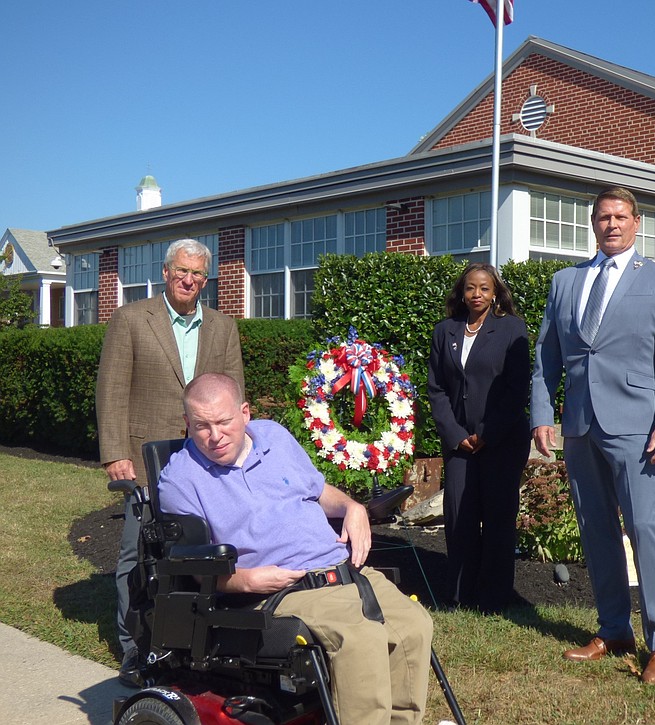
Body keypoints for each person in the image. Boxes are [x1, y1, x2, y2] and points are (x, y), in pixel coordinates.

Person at [158, 373, 434, 725]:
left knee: (414, 625)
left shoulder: (273, 435)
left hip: (340, 565)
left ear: (244, 413)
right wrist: (247, 580)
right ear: (186, 423)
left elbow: (319, 492)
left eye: (224, 422)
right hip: (284, 587)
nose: (214, 436)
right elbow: (196, 568)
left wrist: (352, 507)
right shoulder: (180, 480)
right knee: (362, 638)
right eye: (201, 426)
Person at [530, 187, 655, 684]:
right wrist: (541, 416)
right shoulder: (565, 281)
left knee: (646, 533)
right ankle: (614, 630)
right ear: (593, 224)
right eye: (603, 217)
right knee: (596, 532)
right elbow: (544, 361)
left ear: (636, 223)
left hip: (638, 429)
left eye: (621, 216)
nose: (612, 224)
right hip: (580, 427)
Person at [95, 238, 245, 687]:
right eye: (182, 271)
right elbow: (112, 391)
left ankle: (192, 640)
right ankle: (134, 649)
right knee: (136, 551)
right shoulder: (130, 320)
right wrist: (116, 453)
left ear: (206, 278)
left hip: (205, 457)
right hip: (144, 458)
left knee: (200, 548)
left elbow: (234, 392)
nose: (189, 280)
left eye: (198, 274)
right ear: (166, 272)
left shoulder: (223, 327)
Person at [427, 263, 531, 613]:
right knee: (459, 514)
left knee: (499, 516)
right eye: (471, 288)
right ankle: (460, 593)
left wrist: (486, 433)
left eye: (484, 289)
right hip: (460, 445)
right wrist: (458, 436)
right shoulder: (445, 331)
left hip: (501, 440)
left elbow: (517, 389)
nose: (477, 295)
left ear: (495, 293)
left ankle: (494, 597)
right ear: (462, 292)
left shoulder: (512, 329)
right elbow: (437, 390)